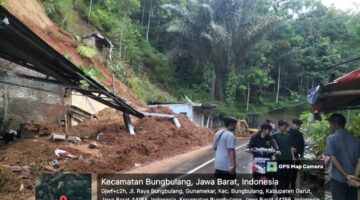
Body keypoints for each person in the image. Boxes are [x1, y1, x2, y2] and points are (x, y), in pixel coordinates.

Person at [324, 113, 360, 200]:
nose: (330, 127)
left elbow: (333, 158)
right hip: (353, 181)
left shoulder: (331, 138)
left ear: (335, 125)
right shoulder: (356, 140)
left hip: (338, 179)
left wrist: (347, 175)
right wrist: (354, 178)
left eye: (330, 124)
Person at [273, 120, 295, 196]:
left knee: (288, 176)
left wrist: (293, 157)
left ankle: (286, 191)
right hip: (279, 159)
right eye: (284, 127)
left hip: (288, 159)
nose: (286, 129)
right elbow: (272, 147)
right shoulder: (274, 135)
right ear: (279, 126)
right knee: (279, 176)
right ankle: (279, 192)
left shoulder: (288, 135)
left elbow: (290, 147)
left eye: (286, 127)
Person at [288, 118, 305, 190]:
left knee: (294, 173)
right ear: (293, 124)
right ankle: (286, 187)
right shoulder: (287, 133)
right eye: (296, 125)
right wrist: (290, 148)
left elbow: (302, 145)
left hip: (296, 156)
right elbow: (285, 144)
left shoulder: (300, 135)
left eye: (299, 125)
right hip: (288, 156)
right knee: (287, 172)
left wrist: (301, 155)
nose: (298, 126)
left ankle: (293, 187)